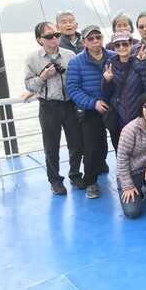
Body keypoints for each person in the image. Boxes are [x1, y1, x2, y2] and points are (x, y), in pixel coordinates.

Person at [25, 21, 83, 195]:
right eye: (49, 36)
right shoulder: (32, 59)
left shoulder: (70, 55)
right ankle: (55, 181)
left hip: (70, 105)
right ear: (39, 40)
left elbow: (78, 79)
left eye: (57, 35)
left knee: (76, 143)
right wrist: (43, 76)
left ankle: (75, 174)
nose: (54, 39)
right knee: (51, 147)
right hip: (48, 106)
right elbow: (29, 86)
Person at [66, 25, 116, 198]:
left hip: (113, 107)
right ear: (84, 42)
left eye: (98, 37)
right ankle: (91, 182)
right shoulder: (76, 62)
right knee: (91, 147)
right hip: (91, 109)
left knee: (121, 142)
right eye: (90, 38)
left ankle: (127, 176)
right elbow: (73, 89)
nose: (95, 41)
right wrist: (93, 103)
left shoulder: (113, 57)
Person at [102, 31, 146, 151]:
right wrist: (107, 81)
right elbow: (106, 93)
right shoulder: (110, 64)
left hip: (138, 116)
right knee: (121, 152)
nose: (121, 47)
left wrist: (142, 66)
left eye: (125, 44)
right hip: (117, 117)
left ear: (131, 44)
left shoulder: (139, 62)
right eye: (117, 45)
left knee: (141, 151)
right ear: (114, 47)